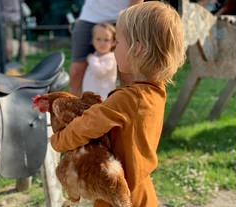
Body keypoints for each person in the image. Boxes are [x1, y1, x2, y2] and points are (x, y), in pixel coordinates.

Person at [50, 1, 186, 206]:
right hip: (142, 188)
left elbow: (84, 126)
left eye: (118, 43)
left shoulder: (126, 100)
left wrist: (57, 141)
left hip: (118, 191)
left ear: (136, 50)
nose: (114, 47)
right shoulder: (156, 90)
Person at [68, 0, 144, 98]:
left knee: (127, 74)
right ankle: (75, 112)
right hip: (88, 17)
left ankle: (126, 111)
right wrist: (84, 14)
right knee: (75, 73)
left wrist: (130, 20)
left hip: (120, 17)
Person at [82, 23, 117, 101]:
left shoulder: (110, 57)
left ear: (113, 42)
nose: (102, 43)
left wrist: (91, 59)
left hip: (104, 98)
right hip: (91, 97)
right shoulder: (95, 56)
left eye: (106, 40)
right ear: (92, 40)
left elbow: (100, 71)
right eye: (98, 39)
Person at [0, 0, 27, 65]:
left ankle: (9, 60)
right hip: (18, 18)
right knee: (21, 40)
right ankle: (23, 60)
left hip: (6, 18)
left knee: (8, 41)